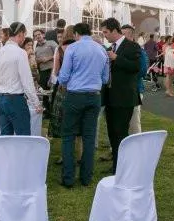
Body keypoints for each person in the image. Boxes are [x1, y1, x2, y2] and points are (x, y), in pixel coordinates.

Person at [57, 22, 108, 187]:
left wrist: (65, 80)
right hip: (94, 96)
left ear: (76, 34)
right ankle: (86, 177)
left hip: (75, 95)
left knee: (68, 136)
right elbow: (105, 78)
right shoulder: (101, 49)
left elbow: (64, 76)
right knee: (89, 137)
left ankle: (68, 178)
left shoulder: (72, 48)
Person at [100, 18, 141, 173]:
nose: (104, 35)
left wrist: (116, 58)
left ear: (114, 31)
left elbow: (136, 67)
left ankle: (123, 167)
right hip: (110, 97)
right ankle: (116, 166)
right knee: (112, 133)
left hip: (124, 98)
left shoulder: (132, 46)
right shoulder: (110, 47)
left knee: (121, 132)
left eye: (105, 32)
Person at [0, 22, 43, 135]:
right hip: (15, 100)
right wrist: (36, 104)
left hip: (1, 99)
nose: (24, 39)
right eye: (24, 35)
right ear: (20, 34)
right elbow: (27, 81)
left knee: (5, 137)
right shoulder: (20, 53)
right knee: (23, 137)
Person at [122, 24, 147, 134]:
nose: (121, 37)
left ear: (131, 36)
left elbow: (142, 70)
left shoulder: (138, 50)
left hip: (134, 89)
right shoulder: (119, 49)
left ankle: (137, 143)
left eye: (124, 34)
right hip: (122, 90)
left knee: (134, 122)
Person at [34, 28, 57, 118]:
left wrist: (48, 58)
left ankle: (54, 112)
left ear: (43, 35)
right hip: (42, 72)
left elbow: (58, 53)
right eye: (36, 36)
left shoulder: (51, 43)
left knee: (53, 92)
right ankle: (47, 113)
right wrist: (39, 60)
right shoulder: (36, 49)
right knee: (44, 93)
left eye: (39, 34)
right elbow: (35, 61)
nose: (38, 36)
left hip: (53, 70)